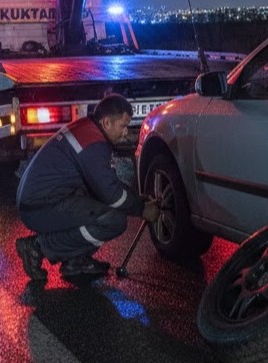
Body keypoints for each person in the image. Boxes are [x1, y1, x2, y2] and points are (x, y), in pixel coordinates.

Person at [15, 94, 160, 281]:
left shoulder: (87, 129)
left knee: (101, 208)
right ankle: (38, 248)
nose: (126, 132)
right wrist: (142, 208)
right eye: (123, 126)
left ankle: (76, 261)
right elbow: (112, 195)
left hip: (40, 201)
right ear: (106, 122)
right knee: (113, 220)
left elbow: (105, 183)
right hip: (39, 208)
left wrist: (138, 199)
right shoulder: (92, 143)